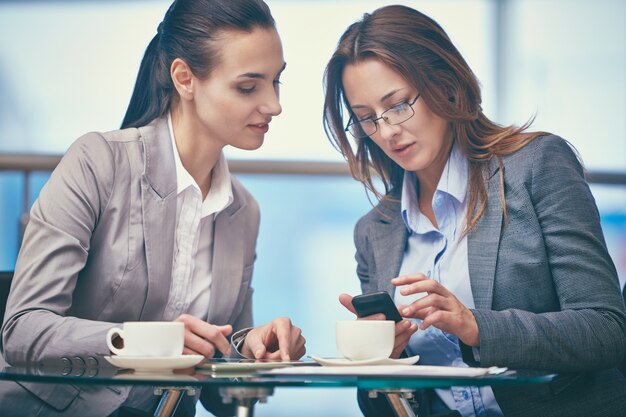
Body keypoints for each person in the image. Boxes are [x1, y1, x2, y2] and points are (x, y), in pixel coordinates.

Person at [0, 0, 306, 416]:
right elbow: (22, 332)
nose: (274, 105)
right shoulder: (98, 163)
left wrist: (249, 348)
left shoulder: (243, 210)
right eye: (249, 87)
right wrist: (146, 343)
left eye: (276, 82)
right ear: (184, 78)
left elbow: (218, 394)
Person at [323, 5, 626, 417]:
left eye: (397, 106)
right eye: (367, 119)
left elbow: (606, 330)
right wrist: (381, 362)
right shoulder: (375, 230)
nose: (387, 131)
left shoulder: (537, 166)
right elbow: (383, 405)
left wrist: (476, 326)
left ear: (445, 84)